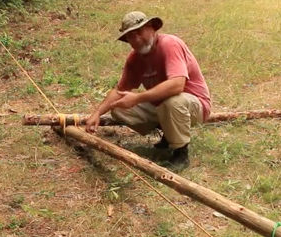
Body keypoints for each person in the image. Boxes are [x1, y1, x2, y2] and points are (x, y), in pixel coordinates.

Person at [85, 11, 211, 169]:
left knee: (172, 102)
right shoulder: (134, 59)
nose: (136, 39)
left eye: (139, 32)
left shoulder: (169, 44)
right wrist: (97, 113)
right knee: (117, 107)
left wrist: (137, 98)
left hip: (195, 105)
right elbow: (119, 90)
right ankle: (169, 132)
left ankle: (181, 152)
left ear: (151, 28)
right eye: (130, 36)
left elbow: (177, 85)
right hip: (163, 106)